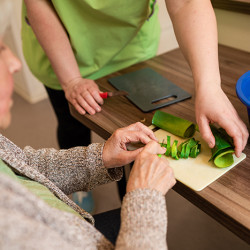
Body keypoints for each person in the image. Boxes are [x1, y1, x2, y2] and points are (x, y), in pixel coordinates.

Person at [0, 1, 176, 248]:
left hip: (131, 50)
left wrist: (101, 157)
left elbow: (22, 168)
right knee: (71, 125)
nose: (14, 63)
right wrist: (143, 199)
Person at [21, 0, 248, 160]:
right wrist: (71, 80)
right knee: (72, 123)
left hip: (130, 45)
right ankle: (76, 188)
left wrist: (209, 86)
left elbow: (187, 3)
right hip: (60, 46)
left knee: (129, 137)